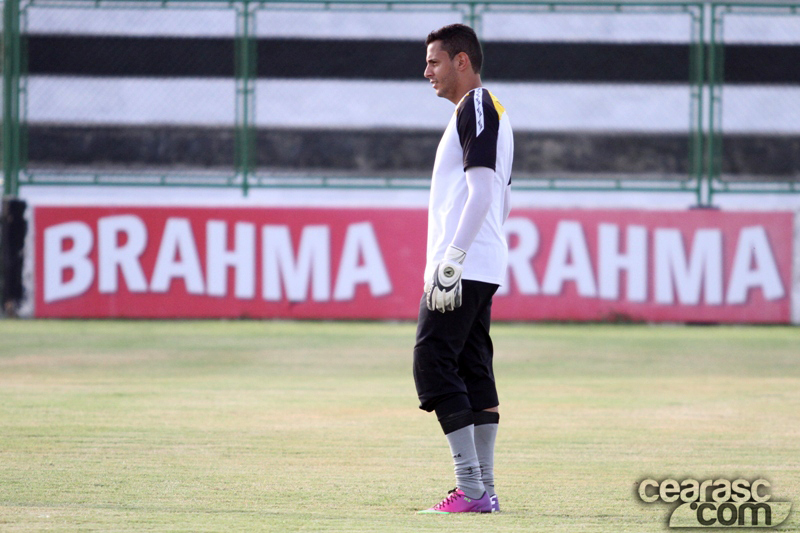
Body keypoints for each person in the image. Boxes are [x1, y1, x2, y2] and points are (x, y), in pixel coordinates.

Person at [414, 23, 513, 514]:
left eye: (434, 61)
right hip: (484, 259)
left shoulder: (475, 105)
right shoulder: (492, 112)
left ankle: (471, 490)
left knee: (432, 362)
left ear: (461, 62)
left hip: (464, 262)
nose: (426, 71)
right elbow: (500, 196)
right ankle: (485, 490)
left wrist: (451, 259)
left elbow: (482, 192)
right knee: (473, 368)